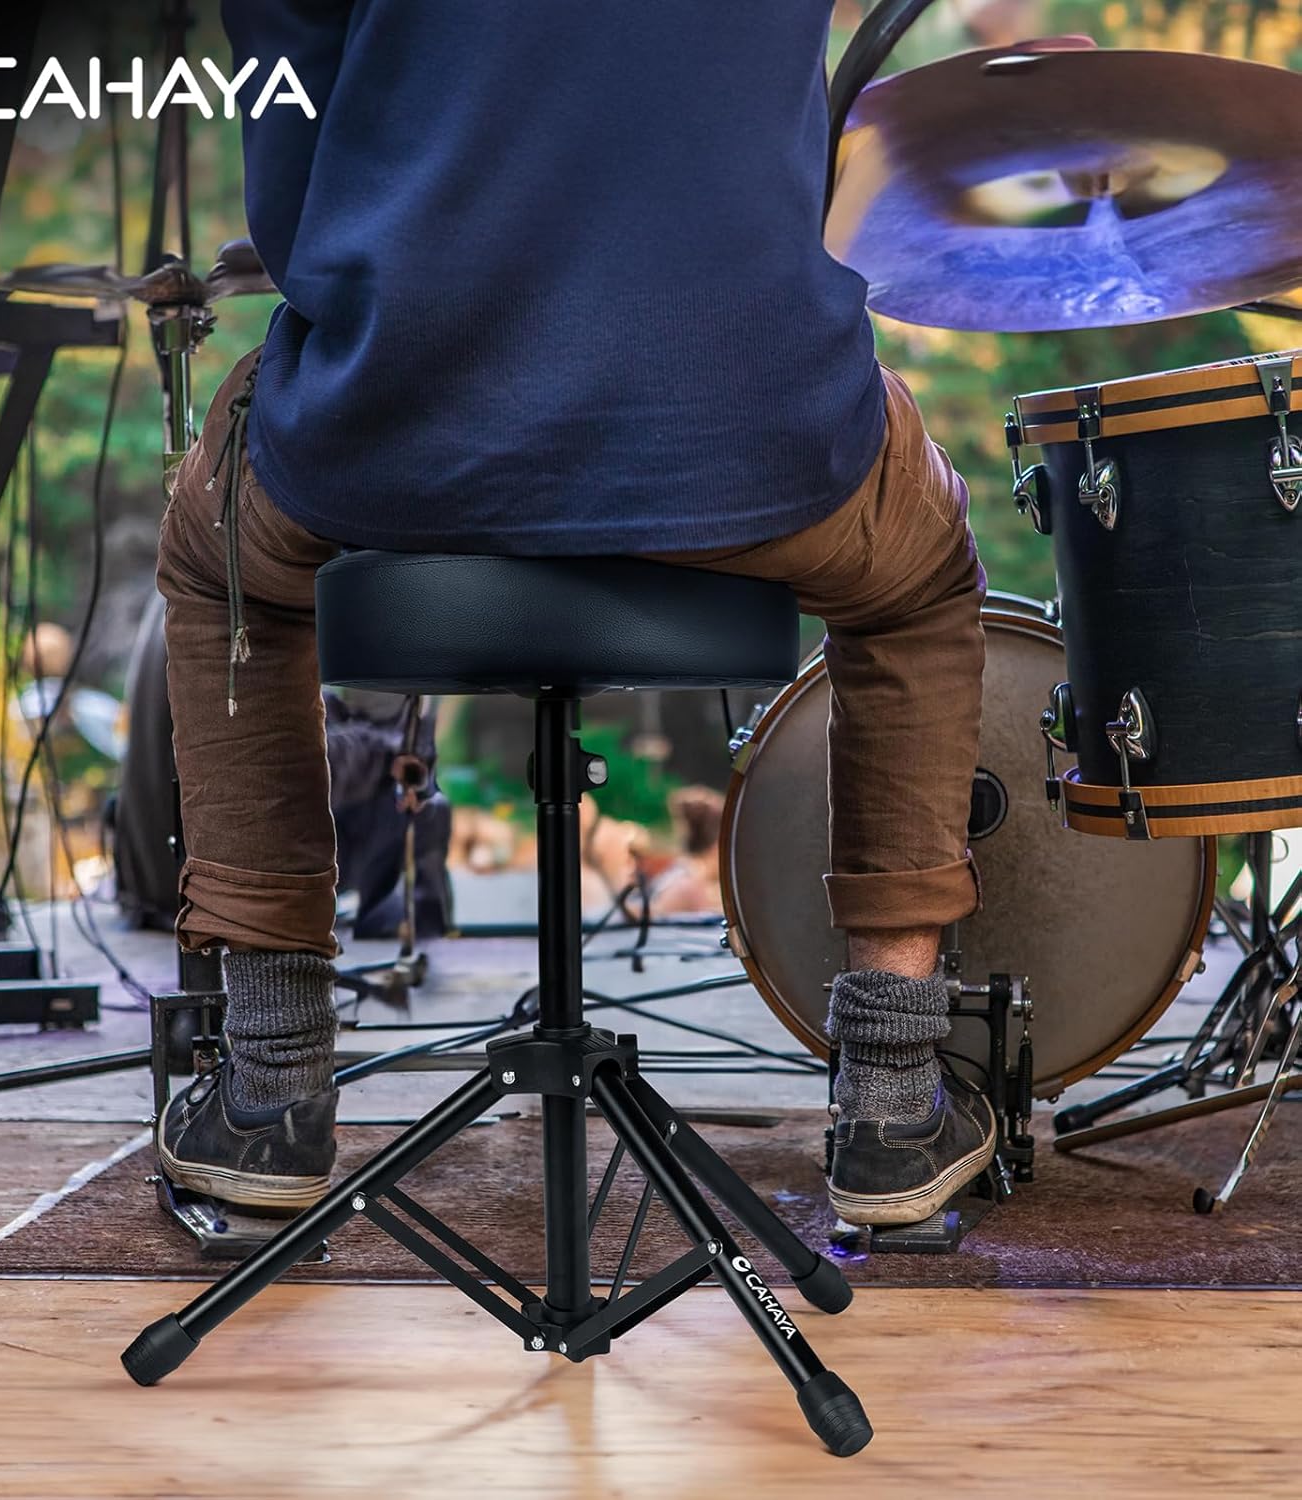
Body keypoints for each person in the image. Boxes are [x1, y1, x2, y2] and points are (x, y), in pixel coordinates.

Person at [155, 0, 992, 1228]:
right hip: (750, 434)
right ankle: (893, 1091)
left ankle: (273, 1085)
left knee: (212, 558)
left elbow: (293, 186)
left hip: (404, 429)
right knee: (919, 584)